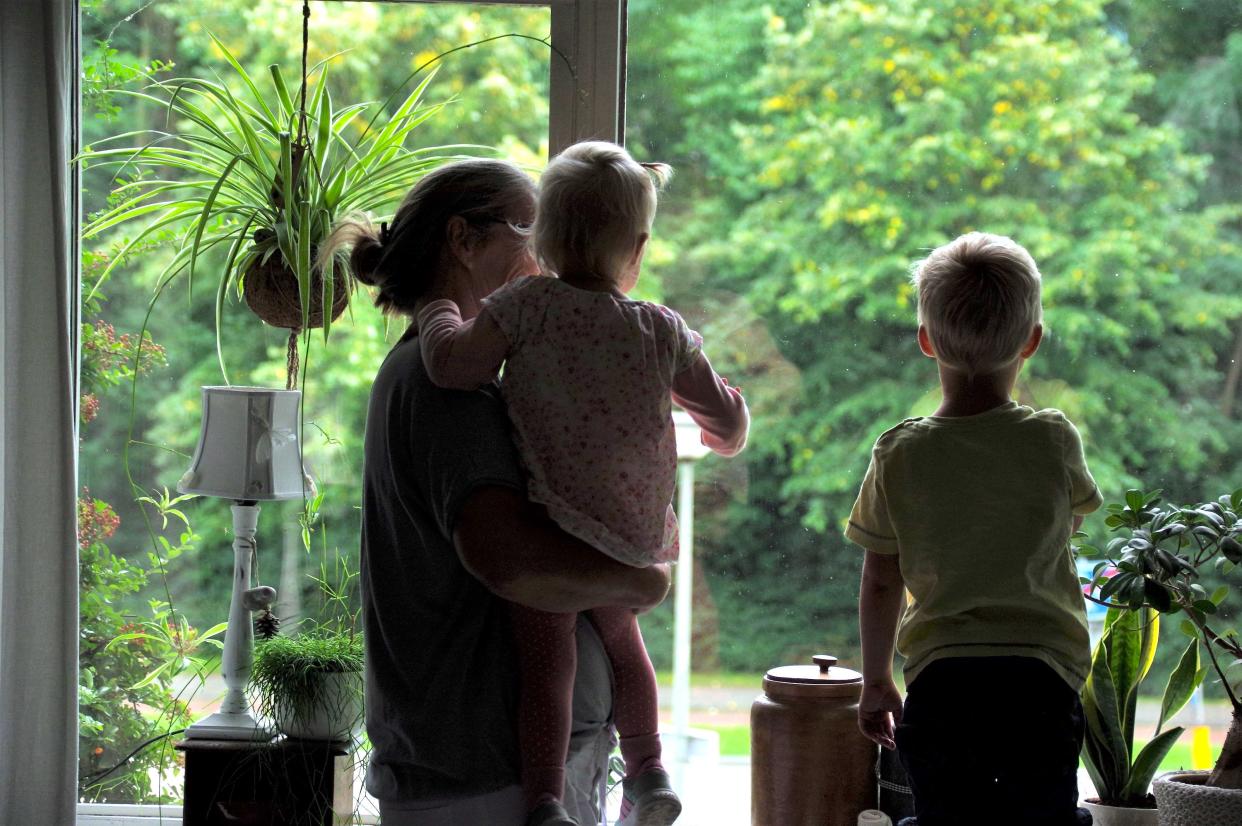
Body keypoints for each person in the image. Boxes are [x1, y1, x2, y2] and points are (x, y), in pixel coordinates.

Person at [321, 158, 672, 826]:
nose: (548, 253)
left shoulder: (440, 373)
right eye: (534, 231)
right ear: (464, 241)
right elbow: (507, 558)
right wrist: (636, 581)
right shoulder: (448, 392)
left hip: (477, 768)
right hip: (484, 775)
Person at [415, 141, 750, 826]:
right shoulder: (660, 327)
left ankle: (543, 803)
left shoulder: (525, 306)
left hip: (553, 530)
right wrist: (725, 430)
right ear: (639, 245)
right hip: (631, 536)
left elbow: (454, 367)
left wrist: (436, 312)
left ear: (542, 237)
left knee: (548, 664)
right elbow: (722, 412)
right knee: (627, 648)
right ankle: (651, 773)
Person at [845, 232, 1102, 826]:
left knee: (946, 816)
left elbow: (880, 578)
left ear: (926, 341)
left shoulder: (900, 453)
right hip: (1042, 675)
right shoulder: (1052, 438)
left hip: (943, 679)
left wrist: (877, 680)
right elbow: (1077, 513)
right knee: (1043, 816)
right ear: (1032, 341)